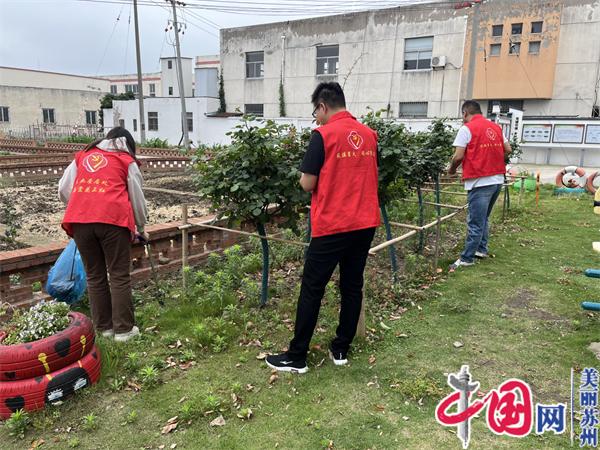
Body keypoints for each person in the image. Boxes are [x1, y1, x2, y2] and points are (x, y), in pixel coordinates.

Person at [266, 82, 380, 373]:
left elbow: (307, 183)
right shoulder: (369, 135)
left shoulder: (323, 135)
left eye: (315, 111)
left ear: (322, 106)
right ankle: (341, 349)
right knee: (352, 285)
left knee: (312, 288)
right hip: (364, 222)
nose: (315, 118)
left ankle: (297, 356)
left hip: (334, 224)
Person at [59, 127, 148, 342]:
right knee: (118, 275)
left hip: (80, 221)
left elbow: (63, 190)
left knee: (95, 276)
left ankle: (104, 329)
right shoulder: (125, 160)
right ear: (128, 144)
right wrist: (141, 228)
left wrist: (85, 204)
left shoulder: (83, 156)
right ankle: (124, 331)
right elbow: (136, 198)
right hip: (113, 221)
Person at [447, 100, 511, 272]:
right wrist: (492, 156)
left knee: (475, 221)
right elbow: (508, 149)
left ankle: (467, 258)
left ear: (465, 113)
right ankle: (481, 249)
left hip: (479, 181)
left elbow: (458, 156)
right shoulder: (496, 127)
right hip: (497, 180)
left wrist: (451, 169)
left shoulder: (466, 128)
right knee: (483, 218)